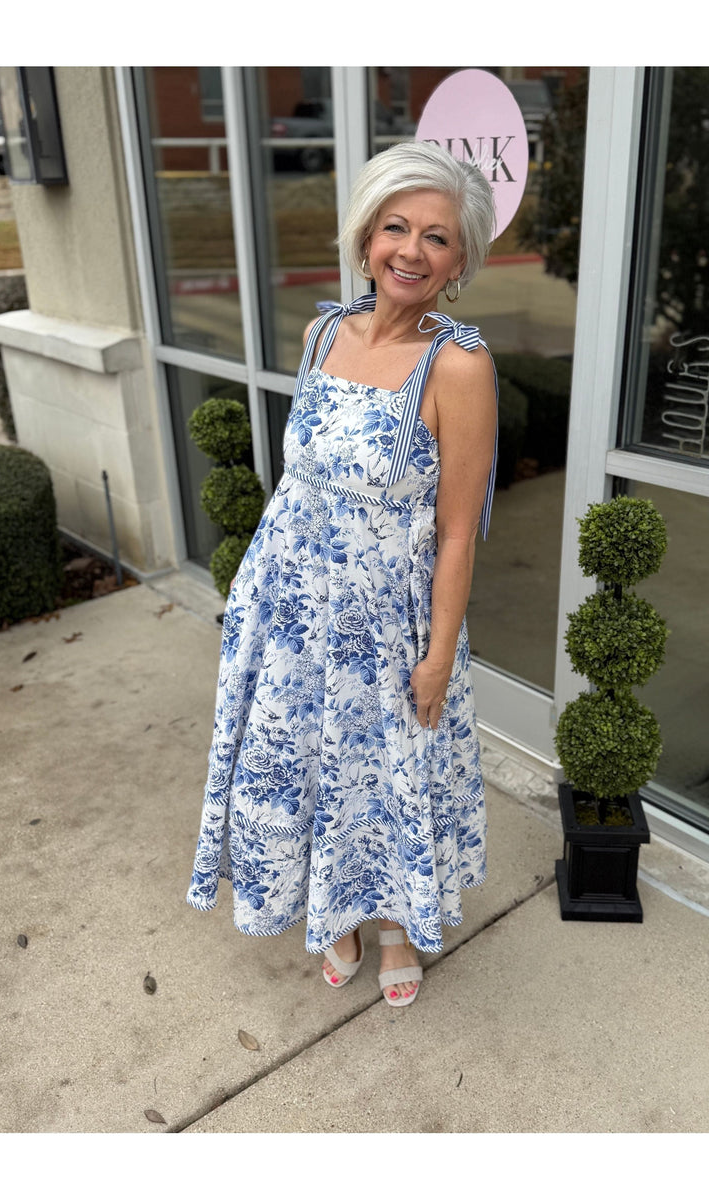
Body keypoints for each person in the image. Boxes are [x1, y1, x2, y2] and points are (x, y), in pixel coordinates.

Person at [186, 140, 498, 1008]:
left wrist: (436, 657)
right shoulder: (324, 330)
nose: (411, 250)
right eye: (395, 226)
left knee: (388, 773)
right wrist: (258, 592)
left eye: (437, 237)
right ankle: (340, 912)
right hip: (290, 607)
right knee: (311, 767)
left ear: (461, 259)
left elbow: (459, 532)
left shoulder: (460, 367)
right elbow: (302, 477)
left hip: (386, 620)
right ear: (366, 237)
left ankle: (396, 923)